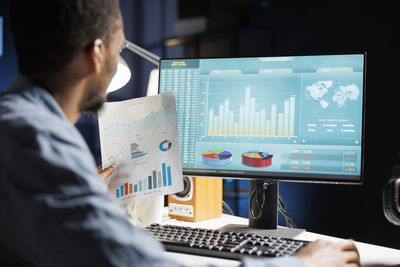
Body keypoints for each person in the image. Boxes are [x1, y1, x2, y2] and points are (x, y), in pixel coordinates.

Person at [0, 0, 360, 266]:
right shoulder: (38, 144)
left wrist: (89, 202)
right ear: (96, 54)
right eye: (118, 46)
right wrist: (302, 263)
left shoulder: (16, 125)